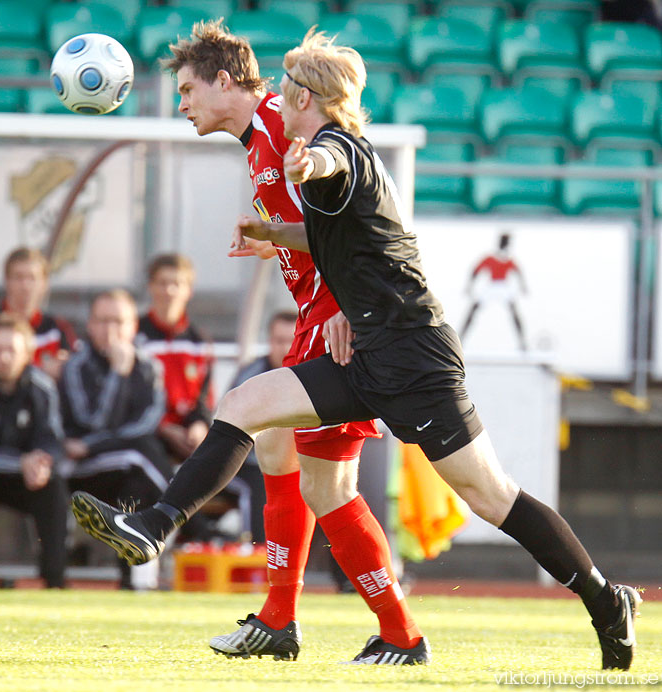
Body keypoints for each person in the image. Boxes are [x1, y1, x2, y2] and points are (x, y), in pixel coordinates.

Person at [72, 30, 639, 669]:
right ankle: (158, 528)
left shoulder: (331, 147)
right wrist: (271, 232)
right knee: (253, 413)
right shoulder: (297, 140)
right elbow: (332, 229)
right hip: (366, 353)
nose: (275, 106)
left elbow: (333, 164)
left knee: (488, 496)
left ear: (305, 100)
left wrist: (310, 176)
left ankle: (601, 599)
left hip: (412, 354)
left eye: (284, 97)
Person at [154, 20, 413, 663]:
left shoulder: (280, 124)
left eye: (188, 89)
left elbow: (350, 219)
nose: (181, 103)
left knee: (313, 474)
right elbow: (319, 227)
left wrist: (349, 306)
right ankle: (287, 618)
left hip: (334, 321)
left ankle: (392, 631)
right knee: (284, 458)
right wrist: (274, 240)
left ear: (224, 81)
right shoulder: (260, 136)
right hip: (317, 316)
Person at [60, 289, 171, 590]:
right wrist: (118, 375)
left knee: (139, 475)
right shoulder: (75, 367)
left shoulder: (150, 367)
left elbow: (147, 424)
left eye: (119, 322)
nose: (111, 330)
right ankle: (194, 523)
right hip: (84, 468)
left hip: (129, 463)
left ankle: (132, 579)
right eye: (103, 321)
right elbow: (93, 422)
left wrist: (97, 443)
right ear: (91, 325)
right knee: (142, 452)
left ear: (133, 326)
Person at [0, 315, 68, 588]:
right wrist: (21, 462)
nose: (5, 358)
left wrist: (42, 462)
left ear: (28, 354)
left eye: (12, 351)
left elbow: (53, 439)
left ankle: (55, 580)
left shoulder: (42, 388)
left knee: (54, 488)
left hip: (28, 477)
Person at [136, 253, 215, 462]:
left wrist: (199, 425)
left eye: (177, 284)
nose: (169, 291)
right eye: (162, 283)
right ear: (150, 287)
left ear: (189, 291)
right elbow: (128, 396)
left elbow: (205, 398)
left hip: (190, 436)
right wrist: (163, 428)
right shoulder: (134, 335)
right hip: (148, 434)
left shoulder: (199, 341)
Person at [227, 310, 297, 543]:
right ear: (269, 342)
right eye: (280, 341)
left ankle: (347, 578)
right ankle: (261, 562)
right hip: (250, 464)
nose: (286, 348)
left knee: (335, 491)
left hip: (299, 464)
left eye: (292, 340)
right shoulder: (251, 377)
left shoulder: (312, 376)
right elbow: (233, 431)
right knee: (260, 488)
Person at [0, 247, 77, 380]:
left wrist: (66, 368)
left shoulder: (58, 329)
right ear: (6, 281)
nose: (25, 285)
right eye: (18, 277)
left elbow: (78, 371)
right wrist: (40, 370)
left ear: (44, 284)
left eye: (32, 278)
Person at [461, 232, 528, 351]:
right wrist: (469, 285)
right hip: (491, 286)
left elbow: (518, 272)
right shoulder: (491, 258)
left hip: (503, 286)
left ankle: (523, 342)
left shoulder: (509, 259)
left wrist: (523, 286)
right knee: (474, 309)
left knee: (514, 312)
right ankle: (460, 338)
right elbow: (476, 270)